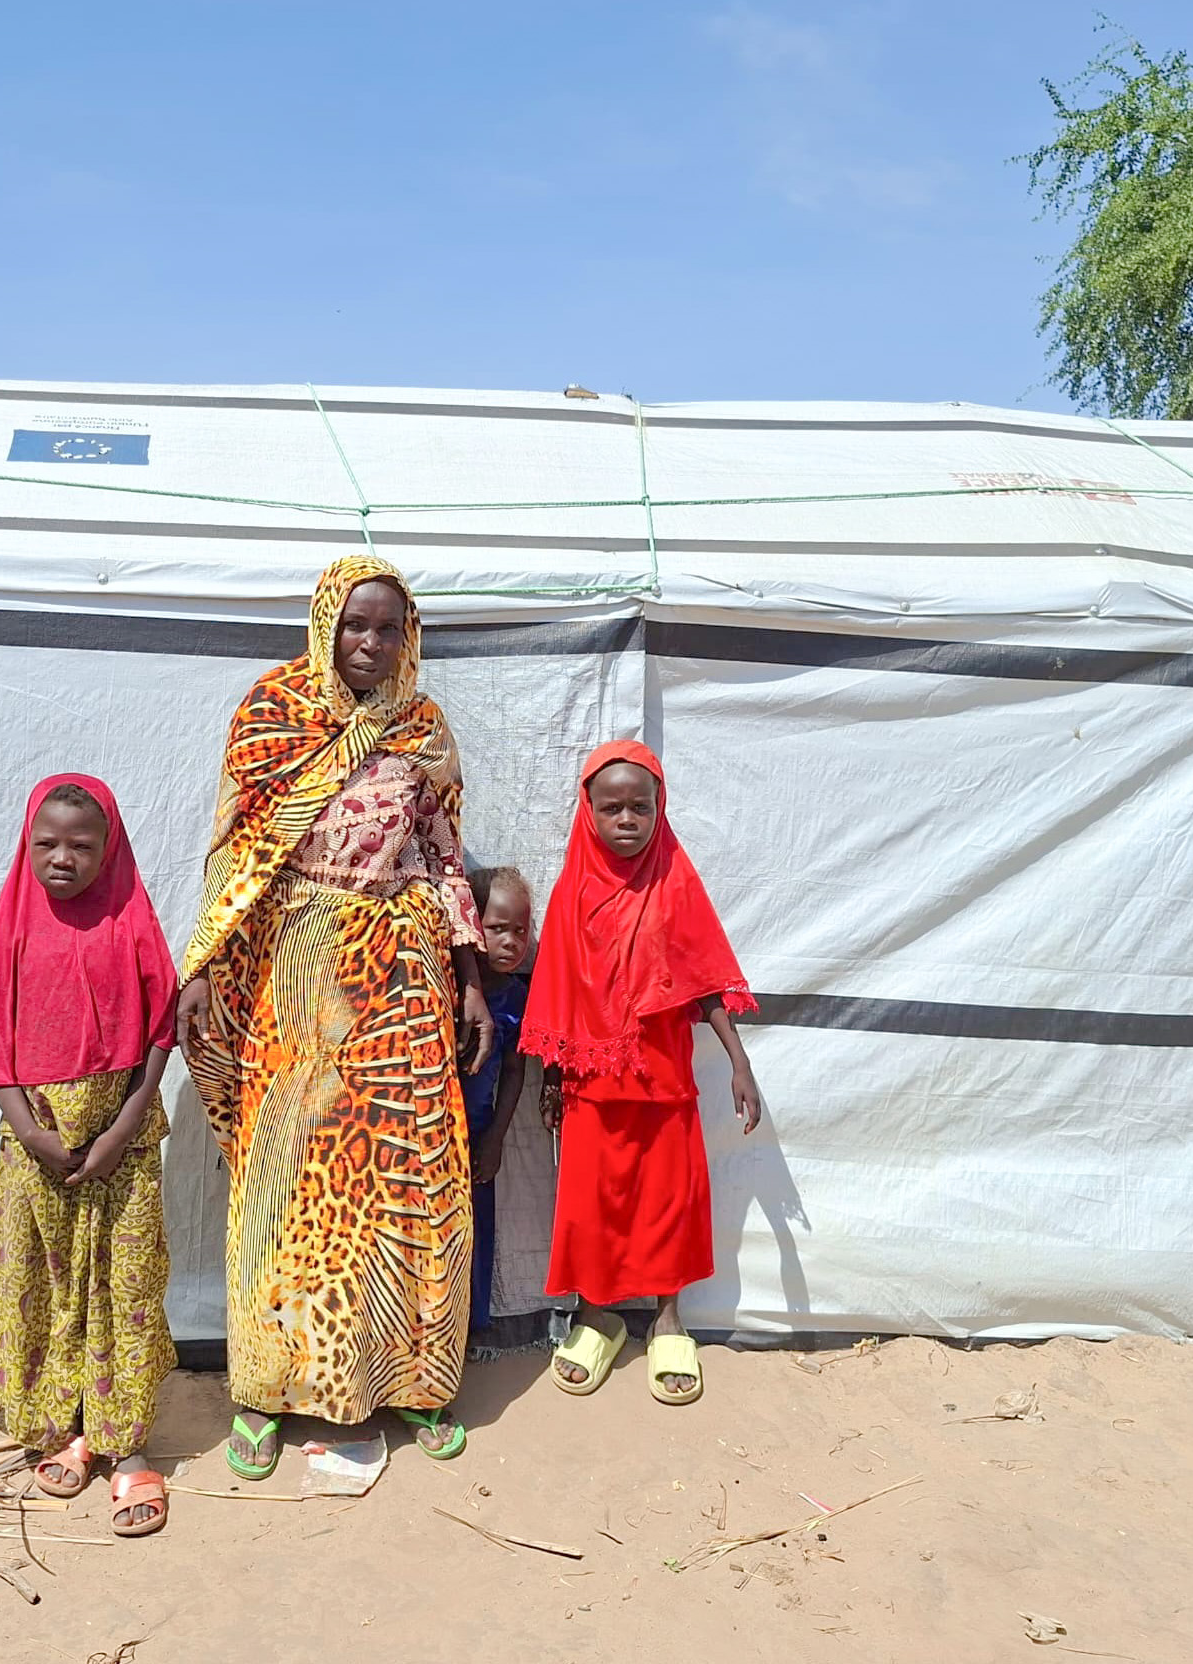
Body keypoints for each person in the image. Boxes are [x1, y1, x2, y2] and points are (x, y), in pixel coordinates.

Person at [177, 554, 494, 1479]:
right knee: (289, 1185)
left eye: (388, 627)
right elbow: (235, 850)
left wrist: (468, 975)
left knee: (409, 1182)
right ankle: (266, 1392)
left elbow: (442, 857)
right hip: (297, 975)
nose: (370, 642)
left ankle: (415, 1383)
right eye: (356, 624)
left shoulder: (424, 729)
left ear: (410, 636)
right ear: (325, 623)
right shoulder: (272, 714)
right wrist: (201, 964)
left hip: (399, 977)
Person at [0, 774, 180, 1537]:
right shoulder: (11, 932)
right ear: (28, 844)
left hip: (123, 1147)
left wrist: (120, 1130)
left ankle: (127, 1448)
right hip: (38, 1149)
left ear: (109, 849)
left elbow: (158, 1036)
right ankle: (68, 1424)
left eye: (82, 846)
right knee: (50, 1287)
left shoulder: (133, 927)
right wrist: (32, 1134)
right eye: (46, 843)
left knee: (123, 1290)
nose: (63, 858)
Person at [523, 741, 764, 1406]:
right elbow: (558, 990)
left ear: (661, 810)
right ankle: (598, 1314)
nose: (627, 819)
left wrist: (740, 1063)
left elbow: (707, 979)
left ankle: (666, 1318)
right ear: (588, 812)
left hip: (662, 1081)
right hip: (591, 1084)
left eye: (641, 806)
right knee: (592, 1207)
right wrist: (550, 1076)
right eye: (612, 808)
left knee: (669, 1204)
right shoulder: (574, 890)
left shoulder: (676, 882)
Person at [461, 865, 535, 1335]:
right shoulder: (445, 988)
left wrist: (496, 1139)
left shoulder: (515, 997)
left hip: (477, 1134)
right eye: (497, 928)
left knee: (473, 1233)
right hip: (425, 1135)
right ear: (471, 927)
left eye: (521, 931)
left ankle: (468, 1328)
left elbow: (513, 1070)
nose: (511, 941)